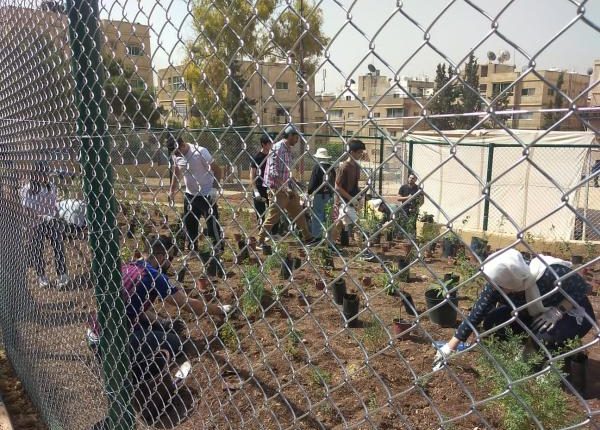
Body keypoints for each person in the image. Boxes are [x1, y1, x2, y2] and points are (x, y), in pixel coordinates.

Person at [87, 234, 232, 427]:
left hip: (95, 336)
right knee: (178, 344)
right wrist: (220, 310)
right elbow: (186, 303)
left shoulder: (126, 267)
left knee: (155, 331)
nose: (170, 263)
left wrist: (162, 323)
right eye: (170, 258)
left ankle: (132, 376)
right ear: (162, 256)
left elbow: (134, 308)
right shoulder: (154, 276)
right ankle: (156, 386)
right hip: (116, 340)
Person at [433, 248, 596, 371]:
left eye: (498, 285)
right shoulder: (496, 284)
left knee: (545, 336)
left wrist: (558, 311)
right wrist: (449, 348)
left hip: (572, 312)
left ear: (512, 281)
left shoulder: (549, 273)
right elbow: (476, 314)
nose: (492, 287)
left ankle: (558, 359)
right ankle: (530, 348)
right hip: (534, 314)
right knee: (492, 322)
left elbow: (582, 289)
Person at [258, 125, 317, 247]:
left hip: (288, 189)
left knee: (299, 213)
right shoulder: (277, 148)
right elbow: (273, 172)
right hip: (278, 189)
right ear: (290, 135)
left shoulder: (288, 149)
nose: (297, 140)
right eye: (296, 137)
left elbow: (285, 171)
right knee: (273, 216)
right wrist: (285, 187)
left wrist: (294, 182)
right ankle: (260, 240)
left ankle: (308, 237)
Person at [167, 135, 223, 253]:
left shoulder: (200, 152)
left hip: (206, 194)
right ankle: (192, 249)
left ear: (182, 145)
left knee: (212, 224)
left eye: (178, 152)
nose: (177, 156)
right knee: (190, 225)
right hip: (190, 195)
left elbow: (218, 170)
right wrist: (172, 190)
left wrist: (214, 189)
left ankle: (218, 249)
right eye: (175, 154)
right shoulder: (176, 154)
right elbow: (176, 172)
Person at [20, 168, 68, 288]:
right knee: (38, 250)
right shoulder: (27, 190)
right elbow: (27, 211)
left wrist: (56, 215)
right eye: (42, 173)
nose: (45, 176)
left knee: (58, 246)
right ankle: (41, 276)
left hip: (51, 221)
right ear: (35, 175)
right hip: (35, 224)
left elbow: (54, 205)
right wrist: (42, 217)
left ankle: (62, 275)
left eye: (46, 173)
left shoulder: (51, 186)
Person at [330, 139, 366, 247]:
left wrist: (359, 197)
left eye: (362, 152)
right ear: (351, 152)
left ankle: (329, 245)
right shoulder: (344, 167)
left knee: (340, 224)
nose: (361, 154)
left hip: (351, 200)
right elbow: (337, 187)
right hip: (343, 201)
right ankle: (362, 249)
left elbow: (354, 185)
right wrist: (351, 198)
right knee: (357, 224)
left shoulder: (356, 166)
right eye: (359, 152)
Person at [307, 147, 336, 239]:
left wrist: (309, 191)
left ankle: (317, 237)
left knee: (317, 216)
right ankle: (329, 239)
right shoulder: (331, 168)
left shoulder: (317, 167)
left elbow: (312, 183)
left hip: (319, 195)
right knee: (328, 217)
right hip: (330, 195)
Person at [250, 135, 272, 225]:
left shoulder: (272, 156)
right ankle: (261, 231)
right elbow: (252, 174)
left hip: (270, 187)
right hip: (259, 187)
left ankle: (273, 231)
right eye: (269, 143)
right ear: (263, 144)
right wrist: (255, 190)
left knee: (274, 211)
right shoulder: (257, 158)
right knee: (260, 213)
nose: (271, 145)